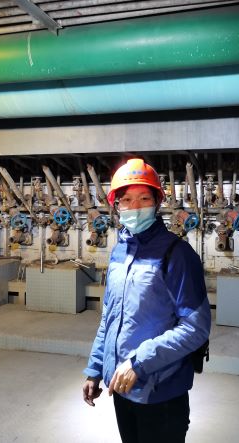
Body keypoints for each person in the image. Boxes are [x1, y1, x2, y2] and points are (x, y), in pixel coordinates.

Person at [82, 158, 211, 443]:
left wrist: (138, 363)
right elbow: (110, 318)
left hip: (162, 392)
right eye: (127, 200)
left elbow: (196, 327)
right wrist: (95, 369)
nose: (135, 207)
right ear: (117, 205)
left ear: (157, 202)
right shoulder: (119, 252)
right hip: (122, 387)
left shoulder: (177, 255)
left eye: (144, 198)